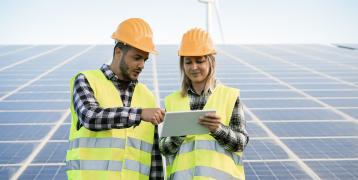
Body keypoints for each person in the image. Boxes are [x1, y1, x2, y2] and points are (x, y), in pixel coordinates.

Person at [66, 18, 165, 179]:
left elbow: (153, 156)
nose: (142, 65)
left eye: (145, 60)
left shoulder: (147, 96)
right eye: (137, 57)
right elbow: (90, 117)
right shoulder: (86, 80)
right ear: (118, 52)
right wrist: (139, 114)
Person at [159, 28, 249, 179]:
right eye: (188, 62)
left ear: (210, 61)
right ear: (183, 65)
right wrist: (179, 134)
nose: (194, 67)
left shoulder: (229, 96)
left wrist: (217, 129)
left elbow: (240, 143)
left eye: (199, 61)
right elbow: (164, 148)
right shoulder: (172, 101)